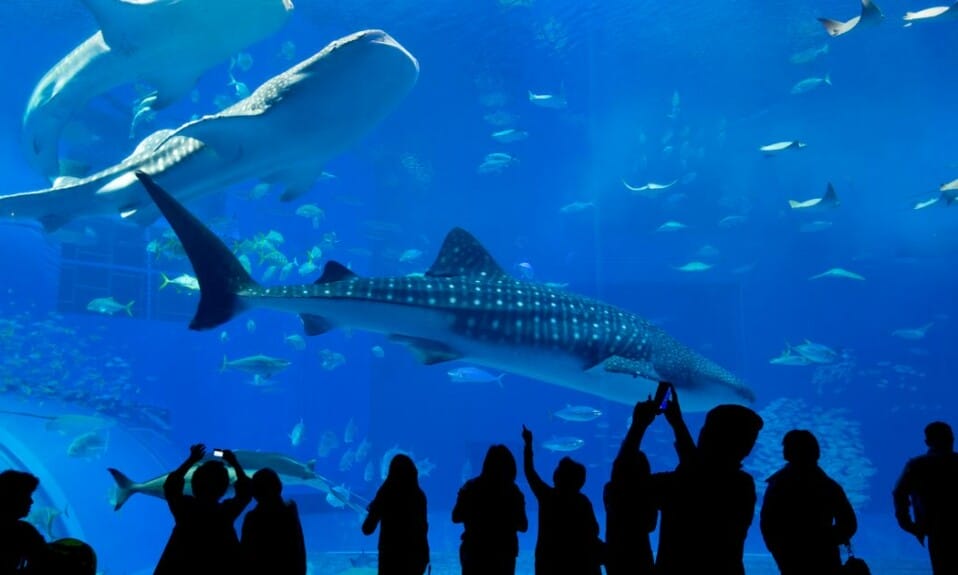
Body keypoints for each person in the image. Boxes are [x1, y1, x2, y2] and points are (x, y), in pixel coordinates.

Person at [652, 390, 764, 575]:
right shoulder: (743, 485)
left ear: (706, 436)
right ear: (747, 447)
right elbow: (701, 473)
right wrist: (678, 424)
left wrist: (639, 427)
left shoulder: (682, 481)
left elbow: (622, 485)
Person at [760, 429, 858, 575]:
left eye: (787, 447)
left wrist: (781, 549)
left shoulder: (778, 484)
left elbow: (768, 523)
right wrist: (825, 542)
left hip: (791, 557)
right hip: (825, 558)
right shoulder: (828, 485)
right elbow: (848, 524)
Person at [154, 444, 252, 575]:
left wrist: (192, 459)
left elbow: (171, 486)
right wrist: (234, 462)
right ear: (224, 489)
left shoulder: (184, 510)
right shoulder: (224, 514)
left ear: (193, 486)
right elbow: (245, 492)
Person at [521, 425, 602, 575]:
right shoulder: (582, 501)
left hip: (548, 562)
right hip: (577, 563)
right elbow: (594, 530)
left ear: (557, 478)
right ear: (580, 482)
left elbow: (529, 472)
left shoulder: (547, 496)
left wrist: (528, 444)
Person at [893, 421, 958, 575]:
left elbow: (899, 493)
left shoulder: (917, 465)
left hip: (935, 531)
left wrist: (909, 524)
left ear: (928, 442)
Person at [453, 444, 528, 575]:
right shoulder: (513, 492)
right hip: (504, 552)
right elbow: (523, 526)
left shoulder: (470, 487)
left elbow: (456, 517)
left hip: (474, 551)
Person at [604, 397, 658, 575]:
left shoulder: (611, 490)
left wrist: (639, 424)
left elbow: (621, 467)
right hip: (641, 556)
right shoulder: (649, 495)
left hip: (616, 555)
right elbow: (651, 526)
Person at [362, 454, 429, 575]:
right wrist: (425, 556)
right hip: (415, 557)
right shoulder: (419, 496)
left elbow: (367, 529)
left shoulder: (385, 494)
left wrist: (374, 508)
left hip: (390, 558)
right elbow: (423, 528)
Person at [240, 468, 307, 575]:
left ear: (254, 491)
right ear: (280, 485)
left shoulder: (253, 518)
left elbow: (246, 554)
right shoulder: (291, 508)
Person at [0, 469, 49, 573]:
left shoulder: (25, 531)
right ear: (12, 497)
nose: (31, 501)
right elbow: (46, 561)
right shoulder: (23, 532)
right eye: (27, 495)